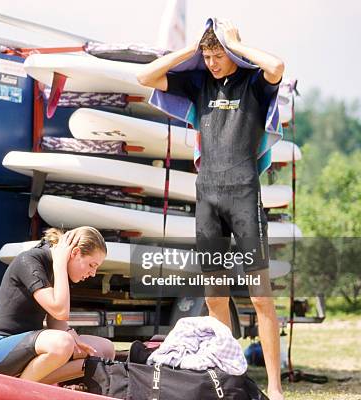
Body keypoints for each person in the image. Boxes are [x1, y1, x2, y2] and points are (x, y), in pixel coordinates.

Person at [137, 20, 285, 400]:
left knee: (259, 296)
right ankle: (228, 374)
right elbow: (145, 77)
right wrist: (191, 52)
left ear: (232, 54)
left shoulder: (252, 84)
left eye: (219, 55)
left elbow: (276, 67)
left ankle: (274, 385)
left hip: (243, 196)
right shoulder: (199, 83)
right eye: (208, 55)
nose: (213, 62)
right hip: (208, 197)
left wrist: (236, 44)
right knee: (215, 296)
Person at [0, 226, 115, 384]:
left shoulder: (57, 267)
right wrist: (60, 264)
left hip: (29, 347)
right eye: (92, 265)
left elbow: (55, 319)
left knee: (104, 351)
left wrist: (72, 335)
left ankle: (36, 386)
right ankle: (15, 393)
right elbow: (60, 311)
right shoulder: (30, 260)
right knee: (62, 343)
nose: (93, 273)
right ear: (74, 253)